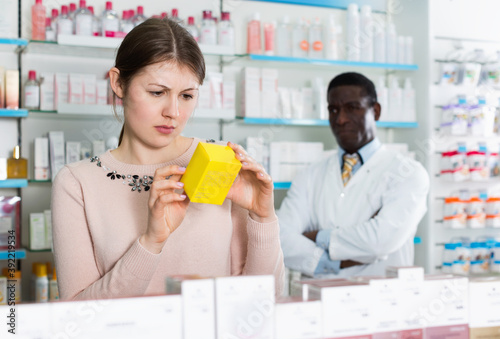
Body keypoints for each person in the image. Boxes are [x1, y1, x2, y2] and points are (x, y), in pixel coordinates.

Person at [52, 18, 284, 300]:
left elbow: (262, 300)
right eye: (157, 92)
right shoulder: (77, 183)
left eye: (186, 96)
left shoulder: (222, 163)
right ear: (118, 83)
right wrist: (151, 243)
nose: (173, 111)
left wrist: (263, 217)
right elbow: (77, 317)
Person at [278, 72, 429, 278]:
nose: (340, 119)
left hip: (383, 299)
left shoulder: (408, 173)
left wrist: (315, 237)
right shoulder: (309, 175)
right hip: (320, 300)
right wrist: (334, 263)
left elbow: (380, 242)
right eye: (333, 109)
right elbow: (280, 239)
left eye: (352, 108)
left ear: (375, 111)